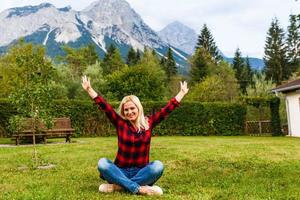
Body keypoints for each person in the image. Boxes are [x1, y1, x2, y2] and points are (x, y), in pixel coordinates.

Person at [81, 75, 189, 195]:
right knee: (103, 163)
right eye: (126, 110)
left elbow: (166, 110)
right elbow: (105, 106)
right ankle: (139, 188)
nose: (129, 112)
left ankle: (118, 187)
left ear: (138, 108)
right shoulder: (120, 123)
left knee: (158, 166)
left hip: (141, 172)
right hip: (120, 170)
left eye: (132, 108)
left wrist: (182, 93)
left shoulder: (149, 123)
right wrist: (89, 89)